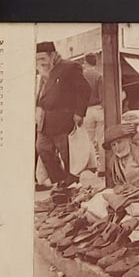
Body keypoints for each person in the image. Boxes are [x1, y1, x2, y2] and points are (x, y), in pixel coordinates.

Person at [35, 41, 90, 189]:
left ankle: (70, 185)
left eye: (43, 59)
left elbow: (84, 89)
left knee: (67, 156)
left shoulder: (69, 67)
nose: (40, 62)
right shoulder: (42, 72)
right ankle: (60, 180)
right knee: (42, 148)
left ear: (52, 55)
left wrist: (79, 113)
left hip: (64, 121)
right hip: (44, 121)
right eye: (37, 59)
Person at [81, 53, 105, 173]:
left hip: (86, 110)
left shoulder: (82, 76)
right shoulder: (99, 76)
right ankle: (103, 168)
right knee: (101, 140)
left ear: (86, 62)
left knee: (88, 140)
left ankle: (89, 166)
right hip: (99, 110)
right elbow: (103, 96)